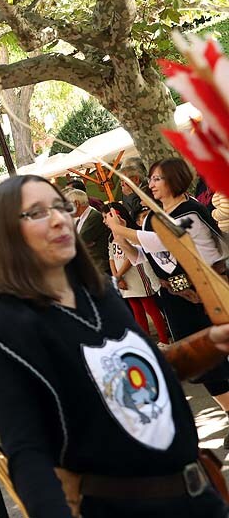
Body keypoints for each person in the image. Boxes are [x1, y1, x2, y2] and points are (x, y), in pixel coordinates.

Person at [0, 174, 229, 517]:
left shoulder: (102, 295)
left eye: (60, 206)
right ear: (6, 233)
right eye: (37, 212)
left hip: (199, 497)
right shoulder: (0, 328)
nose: (60, 217)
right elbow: (28, 454)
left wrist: (209, 344)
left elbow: (140, 380)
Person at [105, 158, 229, 422]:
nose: (150, 184)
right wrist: (120, 238)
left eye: (157, 178)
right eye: (150, 179)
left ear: (175, 179)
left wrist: (120, 228)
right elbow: (147, 255)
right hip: (178, 300)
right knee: (202, 364)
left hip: (207, 292)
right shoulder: (153, 218)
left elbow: (165, 239)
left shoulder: (189, 211)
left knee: (217, 357)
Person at [105, 202, 170, 345]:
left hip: (139, 276)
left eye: (107, 217)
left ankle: (164, 339)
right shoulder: (112, 236)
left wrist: (118, 274)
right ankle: (146, 341)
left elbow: (133, 256)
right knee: (137, 311)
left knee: (151, 308)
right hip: (126, 278)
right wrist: (116, 275)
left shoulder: (133, 232)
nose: (105, 221)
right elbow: (119, 256)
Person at [64, 187, 111, 275]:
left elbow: (79, 242)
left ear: (76, 203)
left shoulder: (94, 216)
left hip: (102, 267)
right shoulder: (80, 219)